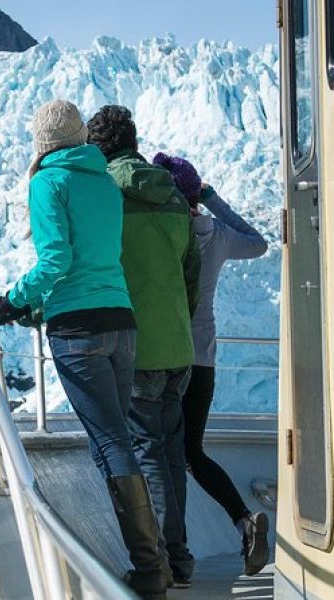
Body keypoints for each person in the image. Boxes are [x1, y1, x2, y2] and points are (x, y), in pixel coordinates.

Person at [0, 99, 166, 600]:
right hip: (121, 323)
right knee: (117, 436)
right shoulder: (104, 180)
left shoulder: (48, 182)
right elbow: (97, 256)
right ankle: (155, 560)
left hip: (79, 330)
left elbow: (57, 259)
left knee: (111, 441)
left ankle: (152, 569)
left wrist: (13, 302)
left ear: (41, 143)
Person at [86, 105, 200, 588]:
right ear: (134, 140)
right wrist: (178, 323)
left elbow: (92, 262)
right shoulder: (172, 194)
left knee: (147, 453)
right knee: (171, 452)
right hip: (178, 345)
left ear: (97, 147)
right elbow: (189, 270)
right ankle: (182, 556)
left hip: (137, 347)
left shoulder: (104, 192)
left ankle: (164, 563)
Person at [152, 152, 270, 576]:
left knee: (166, 454)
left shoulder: (164, 230)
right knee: (191, 451)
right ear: (195, 192)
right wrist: (212, 198)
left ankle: (171, 552)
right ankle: (242, 520)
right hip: (204, 359)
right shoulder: (215, 233)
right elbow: (258, 243)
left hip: (167, 355)